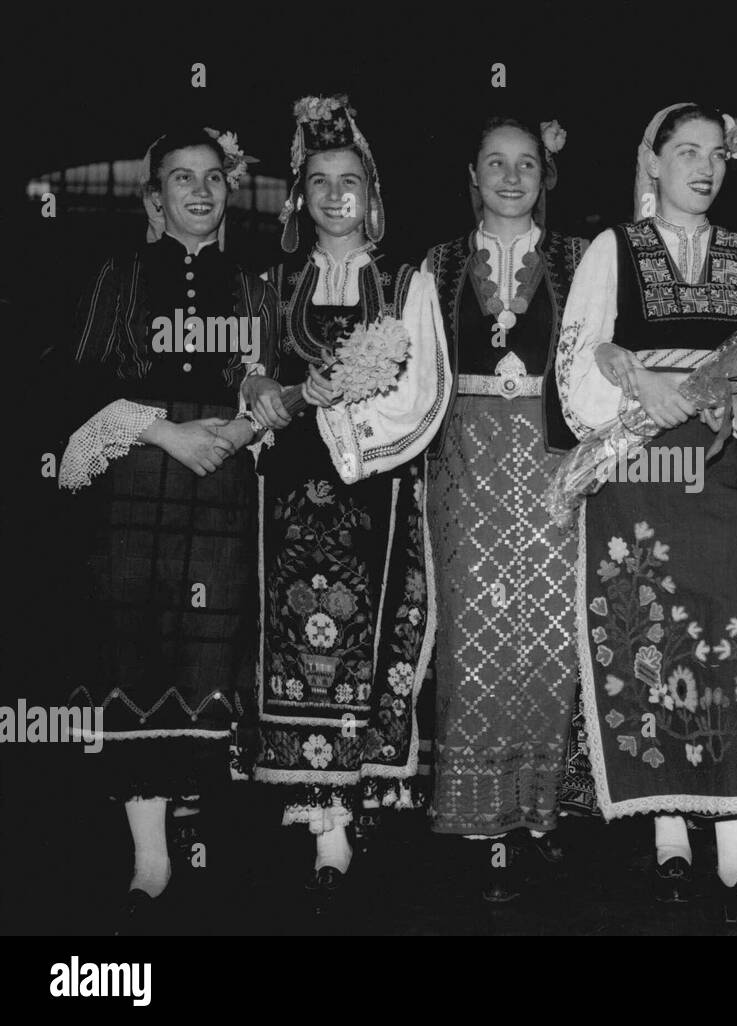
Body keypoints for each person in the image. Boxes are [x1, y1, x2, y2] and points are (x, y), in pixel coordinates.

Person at [557, 103, 737, 922]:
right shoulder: (611, 250)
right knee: (652, 631)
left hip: (729, 468)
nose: (703, 167)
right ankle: (667, 837)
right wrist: (639, 390)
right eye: (685, 152)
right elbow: (576, 356)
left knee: (735, 636)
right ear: (652, 163)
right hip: (641, 467)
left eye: (715, 155)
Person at [58, 126, 276, 925]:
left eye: (213, 178)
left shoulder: (253, 286)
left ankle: (204, 838)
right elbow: (78, 379)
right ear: (154, 198)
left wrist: (240, 430)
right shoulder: (120, 276)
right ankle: (149, 857)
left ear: (229, 191)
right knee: (135, 646)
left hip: (218, 484)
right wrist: (167, 433)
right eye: (180, 179)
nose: (198, 191)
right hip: (140, 477)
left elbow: (272, 386)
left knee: (210, 645)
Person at [240, 95, 449, 906]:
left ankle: (356, 807)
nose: (335, 196)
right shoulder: (271, 281)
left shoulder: (408, 281)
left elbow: (426, 393)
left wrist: (350, 432)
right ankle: (323, 822)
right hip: (288, 497)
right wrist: (255, 382)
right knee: (296, 648)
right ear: (299, 197)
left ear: (374, 195)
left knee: (365, 650)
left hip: (375, 490)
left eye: (350, 181)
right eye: (319, 181)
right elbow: (249, 378)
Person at [423, 115, 594, 902]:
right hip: (466, 460)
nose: (513, 177)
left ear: (544, 174)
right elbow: (421, 373)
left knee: (553, 630)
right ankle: (474, 820)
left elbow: (597, 362)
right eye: (497, 162)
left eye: (527, 163)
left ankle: (541, 815)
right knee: (474, 632)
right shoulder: (437, 263)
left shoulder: (579, 258)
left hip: (553, 453)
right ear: (473, 173)